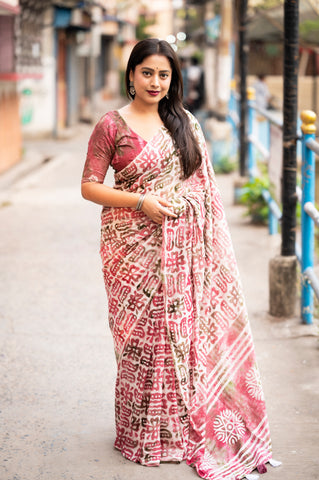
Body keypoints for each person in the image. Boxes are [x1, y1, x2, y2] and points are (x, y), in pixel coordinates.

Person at [81, 38, 279, 480]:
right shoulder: (111, 126)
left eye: (164, 74)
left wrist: (176, 206)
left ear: (173, 79)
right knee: (138, 339)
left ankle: (178, 433)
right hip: (130, 251)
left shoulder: (185, 123)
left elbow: (203, 191)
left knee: (181, 336)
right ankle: (139, 432)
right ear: (131, 75)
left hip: (185, 248)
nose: (155, 82)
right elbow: (90, 186)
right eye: (147, 72)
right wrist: (141, 203)